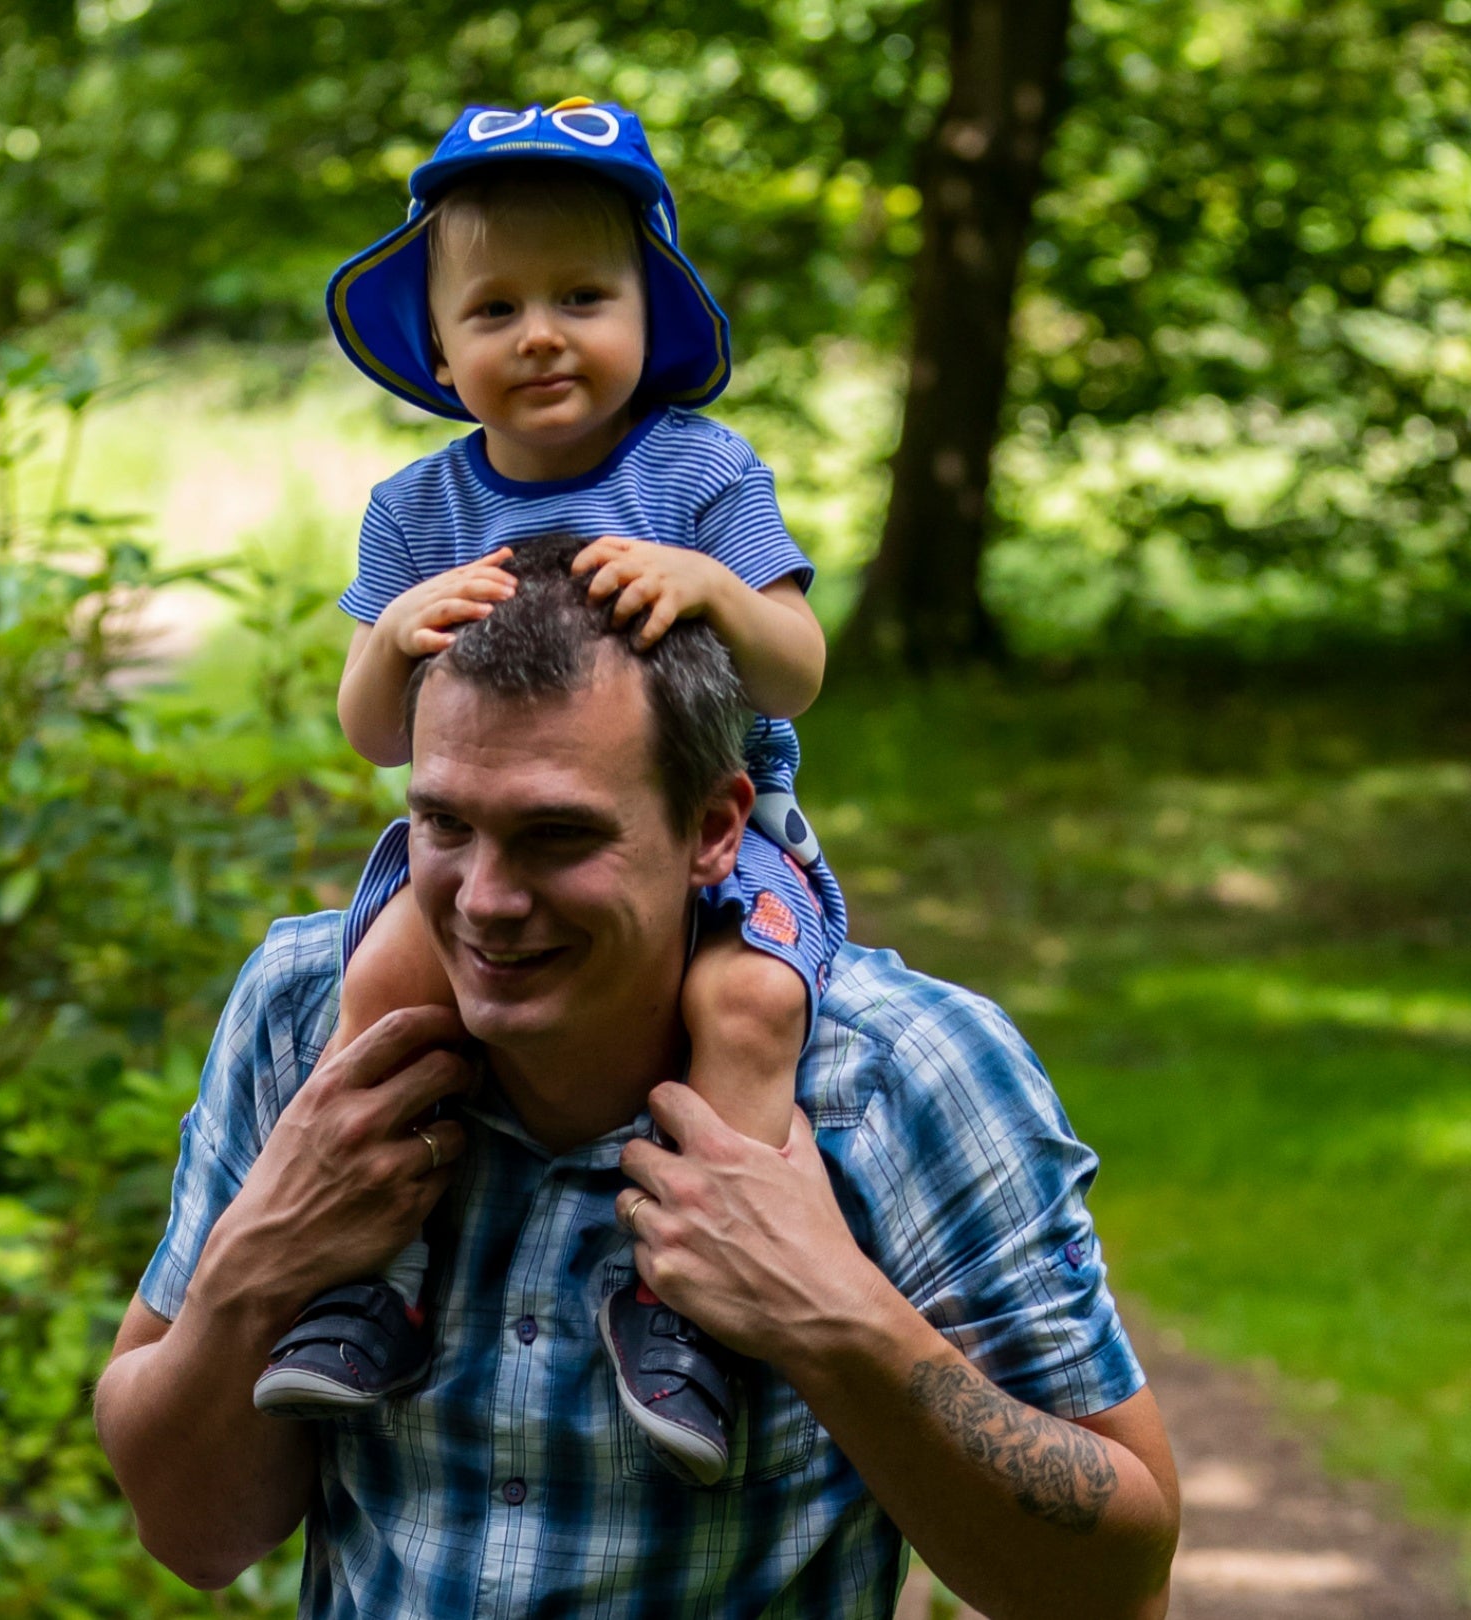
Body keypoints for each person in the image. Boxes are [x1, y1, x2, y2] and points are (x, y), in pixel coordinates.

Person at [93, 543, 1180, 1615]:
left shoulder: (904, 1073)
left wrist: (835, 1320)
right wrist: (261, 1262)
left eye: (557, 836)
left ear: (714, 828)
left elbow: (1113, 1590)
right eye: (444, 825)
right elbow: (190, 1534)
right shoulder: (305, 1015)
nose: (485, 898)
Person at [252, 98, 844, 1489]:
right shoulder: (418, 510)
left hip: (713, 836)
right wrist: (394, 637)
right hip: (487, 846)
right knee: (387, 985)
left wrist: (712, 590)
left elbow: (801, 670)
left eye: (584, 296)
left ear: (652, 312)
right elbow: (366, 734)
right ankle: (373, 1276)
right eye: (496, 307)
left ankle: (691, 1304)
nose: (541, 334)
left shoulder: (698, 472)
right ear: (443, 352)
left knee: (751, 1001)